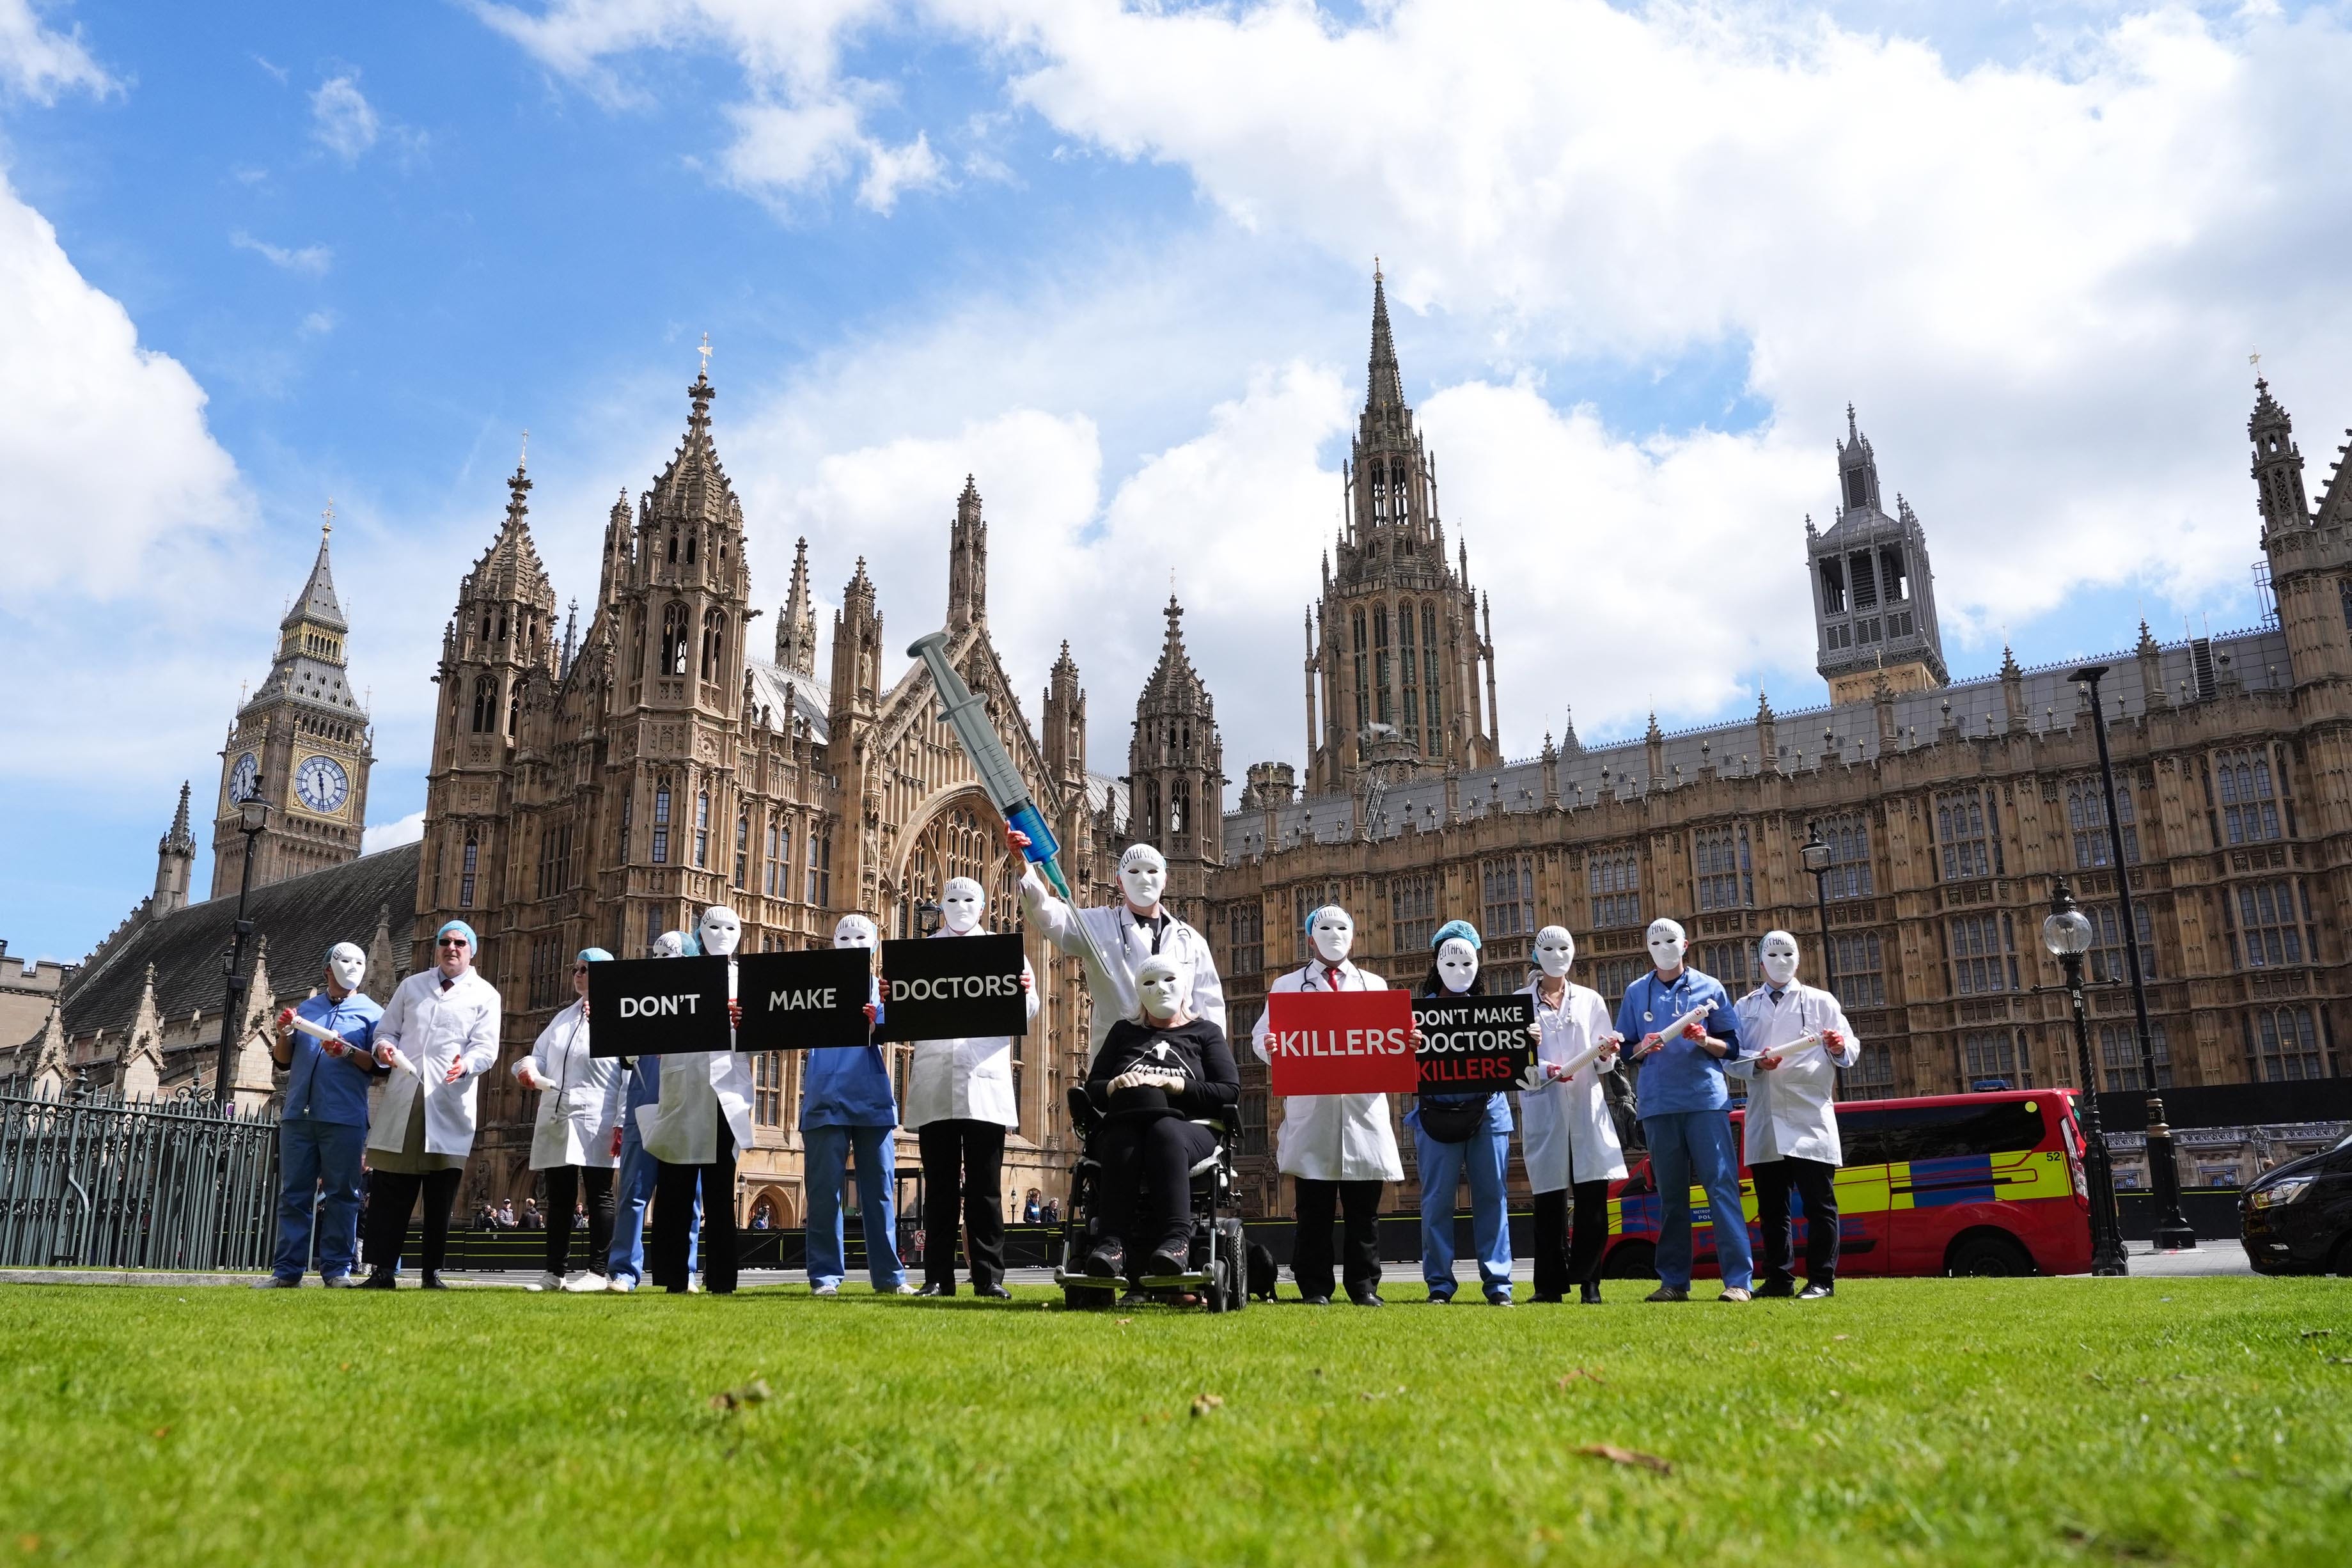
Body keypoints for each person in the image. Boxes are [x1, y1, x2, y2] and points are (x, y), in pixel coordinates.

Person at [1250, 904, 1400, 1307]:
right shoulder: (1286, 986)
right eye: (1325, 928)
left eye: (1343, 928)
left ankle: (1364, 1285)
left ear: (1353, 937)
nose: (1335, 934)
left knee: (1363, 1209)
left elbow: (1389, 1042)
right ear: (1310, 939)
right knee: (1313, 1208)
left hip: (1362, 1110)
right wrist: (1270, 1049)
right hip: (1313, 1110)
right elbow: (1261, 1035)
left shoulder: (1375, 985)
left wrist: (1407, 1044)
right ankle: (1314, 1286)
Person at [904, 877, 1037, 1299]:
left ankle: (989, 1278)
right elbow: (905, 1009)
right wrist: (893, 995)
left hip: (985, 1081)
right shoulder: (923, 953)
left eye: (969, 900)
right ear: (942, 905)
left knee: (985, 1189)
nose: (960, 907)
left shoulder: (1003, 953)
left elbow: (1028, 1013)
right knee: (939, 1190)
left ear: (982, 907)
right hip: (937, 1080)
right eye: (952, 900)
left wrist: (1027, 993)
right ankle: (936, 1279)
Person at [1079, 953, 1240, 1283]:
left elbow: (1228, 1091)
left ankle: (1177, 1241)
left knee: (1164, 1131)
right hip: (1126, 1124)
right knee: (1124, 1136)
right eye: (1149, 983)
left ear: (1184, 987)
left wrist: (1177, 1085)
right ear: (1139, 992)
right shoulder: (1124, 1032)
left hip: (1190, 1129)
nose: (1160, 990)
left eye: (1169, 980)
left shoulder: (1205, 1033)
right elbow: (1092, 1087)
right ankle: (1112, 1245)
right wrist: (1112, 1086)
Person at [359, 920, 501, 1289]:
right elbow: (386, 1031)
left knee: (441, 1196)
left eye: (459, 943)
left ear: (471, 951)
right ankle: (382, 1270)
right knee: (391, 1190)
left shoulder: (485, 995)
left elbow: (486, 1048)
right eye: (445, 942)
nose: (451, 948)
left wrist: (467, 1064)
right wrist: (384, 1048)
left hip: (448, 1100)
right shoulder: (412, 986)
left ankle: (431, 1273)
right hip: (405, 1098)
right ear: (437, 948)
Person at [1617, 917, 1753, 1304]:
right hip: (1658, 1104)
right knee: (1671, 1196)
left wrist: (1704, 1039)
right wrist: (1641, 1047)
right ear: (1647, 947)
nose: (1663, 947)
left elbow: (1733, 1047)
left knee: (1721, 1188)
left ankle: (1738, 1281)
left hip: (1705, 1101)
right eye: (1655, 941)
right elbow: (1625, 1051)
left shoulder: (1710, 988)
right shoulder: (1635, 993)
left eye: (1670, 940)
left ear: (1686, 944)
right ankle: (1674, 1281)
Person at [1010, 829, 1223, 1063]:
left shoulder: (1191, 940)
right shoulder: (1098, 924)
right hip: (1119, 1059)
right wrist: (1023, 865)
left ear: (1165, 880)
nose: (1143, 879)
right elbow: (1048, 915)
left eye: (1152, 872)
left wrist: (1215, 1066)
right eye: (1134, 872)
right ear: (1119, 882)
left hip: (1179, 1060)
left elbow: (1210, 1008)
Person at [1727, 930, 1858, 1299]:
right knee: (1772, 1209)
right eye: (1773, 954)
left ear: (1799, 959)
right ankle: (1779, 1278)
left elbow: (1850, 1049)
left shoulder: (1821, 1001)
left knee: (1820, 1205)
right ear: (1761, 961)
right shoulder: (1745, 1006)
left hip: (1809, 1117)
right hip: (1766, 1115)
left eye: (1788, 954)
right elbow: (1732, 1058)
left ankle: (1822, 1280)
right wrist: (1757, 1064)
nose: (1781, 961)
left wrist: (1838, 1045)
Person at [641, 906, 753, 1296]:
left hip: (725, 1093)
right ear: (700, 932)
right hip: (682, 1089)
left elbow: (761, 1042)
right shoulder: (673, 977)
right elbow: (646, 1027)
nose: (722, 934)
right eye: (713, 927)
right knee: (675, 1191)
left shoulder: (746, 979)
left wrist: (743, 1024)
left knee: (721, 1195)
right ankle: (673, 1280)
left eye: (730, 927)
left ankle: (722, 1282)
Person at [258, 942, 382, 1288]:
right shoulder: (308, 1009)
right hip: (299, 1114)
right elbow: (283, 1061)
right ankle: (287, 1271)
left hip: (343, 1116)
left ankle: (337, 1270)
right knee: (294, 1194)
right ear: (327, 968)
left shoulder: (373, 1013)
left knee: (344, 1195)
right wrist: (285, 1032)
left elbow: (378, 1067)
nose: (350, 969)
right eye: (343, 962)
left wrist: (347, 1051)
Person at [1407, 921, 1518, 1305]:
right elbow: (1397, 1069)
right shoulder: (1415, 1018)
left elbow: (1517, 1065)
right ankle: (1439, 1285)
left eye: (1466, 962)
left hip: (1488, 1113)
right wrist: (1407, 1044)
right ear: (1436, 965)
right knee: (1437, 1202)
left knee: (1493, 1198)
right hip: (1436, 1114)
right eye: (1449, 963)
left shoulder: (1496, 1014)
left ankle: (1499, 1285)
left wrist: (1527, 1042)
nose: (1458, 971)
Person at [803, 914, 913, 1297]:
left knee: (880, 1190)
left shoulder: (884, 989)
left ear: (875, 944)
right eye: (844, 937)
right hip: (823, 1096)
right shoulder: (813, 988)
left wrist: (879, 1018)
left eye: (860, 937)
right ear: (834, 942)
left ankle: (890, 1278)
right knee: (822, 1192)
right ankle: (825, 1277)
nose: (852, 943)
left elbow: (902, 1026)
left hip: (871, 1096)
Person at [1515, 925, 1626, 1305]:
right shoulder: (1518, 1002)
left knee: (1593, 1203)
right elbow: (1514, 1066)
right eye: (1549, 947)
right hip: (1544, 1106)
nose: (1558, 954)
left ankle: (1589, 1283)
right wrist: (1546, 1069)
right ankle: (1548, 1287)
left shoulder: (1591, 1000)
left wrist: (1607, 1051)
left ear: (1574, 952)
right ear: (1536, 953)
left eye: (1565, 947)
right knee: (1549, 1204)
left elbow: (1604, 1065)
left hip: (1585, 1108)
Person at [511, 948, 623, 1293]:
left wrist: (621, 1120)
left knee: (599, 1195)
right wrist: (527, 1070)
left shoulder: (619, 1015)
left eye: (585, 970)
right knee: (558, 1197)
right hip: (557, 1115)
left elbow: (630, 1073)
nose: (577, 974)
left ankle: (597, 1272)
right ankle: (554, 1272)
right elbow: (538, 1055)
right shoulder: (563, 1018)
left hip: (596, 1116)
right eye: (575, 968)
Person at [606, 931, 698, 1292]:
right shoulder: (638, 997)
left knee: (689, 1197)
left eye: (671, 957)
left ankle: (685, 1271)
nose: (663, 965)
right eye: (657, 956)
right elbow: (621, 1057)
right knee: (633, 1192)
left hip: (688, 1108)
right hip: (642, 1107)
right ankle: (625, 1272)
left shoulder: (697, 1001)